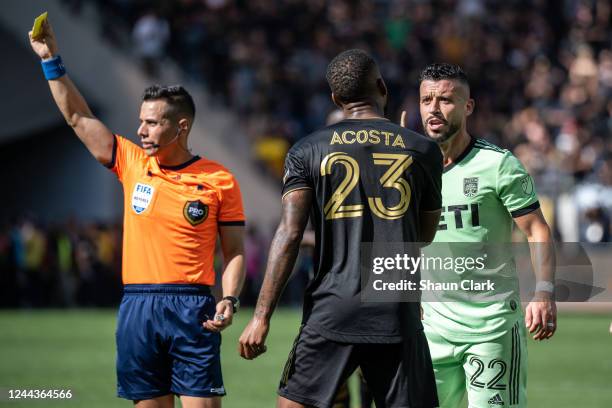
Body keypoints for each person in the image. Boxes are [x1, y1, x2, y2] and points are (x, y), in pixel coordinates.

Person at [29, 18, 245, 408]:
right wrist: (51, 62)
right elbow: (79, 118)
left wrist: (229, 299)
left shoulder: (220, 179)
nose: (140, 129)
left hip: (193, 307)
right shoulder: (131, 162)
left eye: (151, 122)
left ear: (180, 127)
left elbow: (235, 251)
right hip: (138, 306)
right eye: (140, 120)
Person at [238, 49, 442, 408]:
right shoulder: (423, 150)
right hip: (395, 306)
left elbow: (288, 234)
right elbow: (424, 236)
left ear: (335, 99)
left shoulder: (306, 150)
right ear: (382, 86)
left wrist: (260, 316)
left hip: (332, 306)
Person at [404, 63, 557, 408]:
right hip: (431, 329)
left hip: (491, 328)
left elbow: (536, 229)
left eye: (445, 100)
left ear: (467, 106)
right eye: (426, 100)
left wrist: (544, 292)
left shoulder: (498, 165)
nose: (434, 108)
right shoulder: (408, 168)